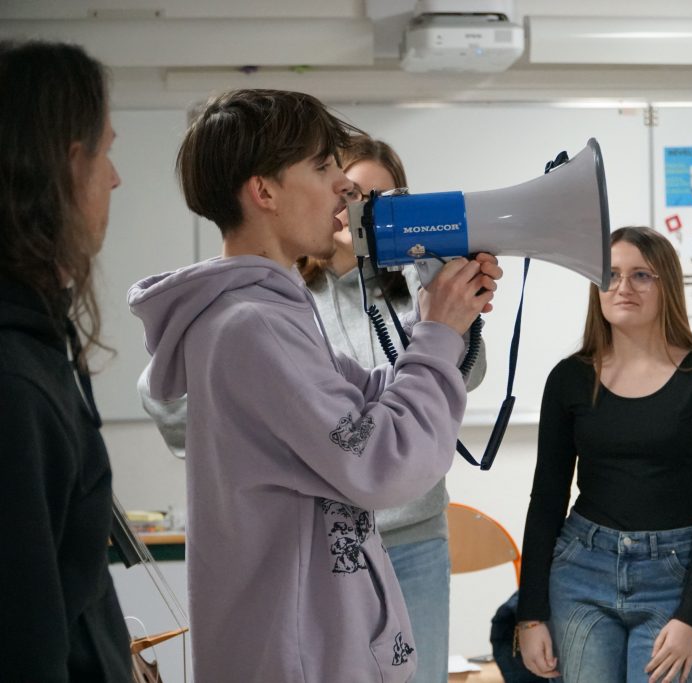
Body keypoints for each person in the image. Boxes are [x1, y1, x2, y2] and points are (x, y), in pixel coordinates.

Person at [128, 89, 501, 681]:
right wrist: (435, 334)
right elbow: (381, 462)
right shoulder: (253, 325)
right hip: (301, 652)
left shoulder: (264, 313)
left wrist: (443, 319)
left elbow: (368, 394)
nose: (342, 190)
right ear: (265, 191)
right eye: (324, 167)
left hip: (301, 641)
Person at [517, 226, 692, 683]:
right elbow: (546, 500)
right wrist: (530, 613)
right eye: (610, 275)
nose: (622, 287)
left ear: (667, 286)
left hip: (673, 578)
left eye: (641, 275)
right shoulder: (569, 379)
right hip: (582, 572)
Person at [303, 135, 484, 682]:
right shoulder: (291, 296)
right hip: (330, 543)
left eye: (386, 201)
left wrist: (426, 277)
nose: (365, 213)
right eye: (356, 195)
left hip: (415, 537)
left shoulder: (412, 294)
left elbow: (465, 374)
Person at [0, 41, 132, 680]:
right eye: (104, 151)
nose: (114, 177)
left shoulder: (38, 341)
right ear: (65, 163)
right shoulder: (13, 379)